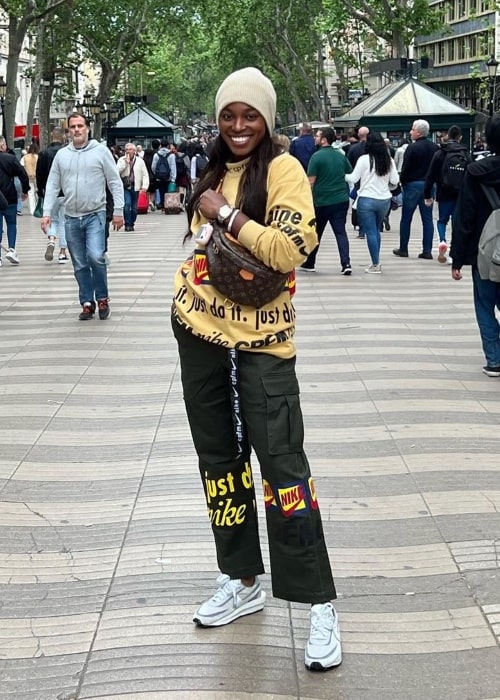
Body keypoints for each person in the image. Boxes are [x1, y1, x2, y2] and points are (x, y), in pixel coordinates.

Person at [172, 67, 341, 672]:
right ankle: (241, 578)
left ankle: (318, 601)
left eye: (250, 116)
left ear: (267, 119)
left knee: (283, 465)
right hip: (200, 335)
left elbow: (294, 249)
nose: (238, 126)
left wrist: (224, 216)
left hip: (264, 345)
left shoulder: (287, 169)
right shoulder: (213, 169)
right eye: (228, 115)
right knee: (218, 463)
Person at [41, 112, 124, 320]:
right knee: (79, 262)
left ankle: (102, 297)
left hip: (95, 214)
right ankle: (87, 301)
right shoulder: (62, 155)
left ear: (87, 128)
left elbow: (115, 181)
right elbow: (52, 185)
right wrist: (46, 213)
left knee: (96, 256)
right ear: (68, 131)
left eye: (80, 126)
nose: (77, 130)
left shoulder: (101, 152)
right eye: (73, 127)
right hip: (70, 217)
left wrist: (119, 211)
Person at [451, 114, 500, 377]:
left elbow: (464, 217)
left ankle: (495, 359)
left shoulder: (475, 172)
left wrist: (457, 259)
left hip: (483, 251)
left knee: (484, 304)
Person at [301, 126, 353, 274]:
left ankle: (310, 262)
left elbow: (311, 181)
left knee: (316, 233)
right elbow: (348, 171)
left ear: (324, 139)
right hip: (341, 199)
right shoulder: (340, 155)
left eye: (317, 136)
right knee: (340, 232)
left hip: (322, 201)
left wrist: (305, 200)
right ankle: (346, 263)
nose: (315, 138)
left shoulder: (316, 157)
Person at [345, 131, 399, 273]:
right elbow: (395, 181)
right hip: (384, 200)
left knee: (370, 232)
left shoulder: (363, 159)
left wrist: (342, 174)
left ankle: (376, 264)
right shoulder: (389, 160)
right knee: (376, 230)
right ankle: (376, 260)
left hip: (367, 199)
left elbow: (353, 178)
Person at [424, 125, 471, 264]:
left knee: (442, 220)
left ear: (448, 136)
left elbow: (430, 175)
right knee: (457, 223)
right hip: (460, 194)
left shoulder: (440, 153)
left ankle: (442, 240)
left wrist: (427, 194)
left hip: (443, 192)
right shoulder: (465, 154)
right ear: (460, 137)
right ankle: (454, 252)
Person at [393, 119, 439, 259]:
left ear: (418, 132)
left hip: (412, 185)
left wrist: (403, 181)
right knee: (427, 218)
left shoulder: (411, 148)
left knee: (406, 217)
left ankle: (404, 248)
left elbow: (406, 168)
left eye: (412, 129)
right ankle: (427, 250)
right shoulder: (435, 148)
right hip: (429, 186)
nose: (410, 131)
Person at [36, 126, 69, 263]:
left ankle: (51, 239)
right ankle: (62, 252)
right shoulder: (67, 152)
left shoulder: (44, 153)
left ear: (51, 136)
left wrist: (41, 191)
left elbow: (40, 174)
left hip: (50, 193)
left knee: (53, 219)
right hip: (66, 192)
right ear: (63, 137)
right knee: (64, 221)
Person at [0, 136, 29, 266]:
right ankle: (11, 249)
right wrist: (25, 190)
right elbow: (23, 174)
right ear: (3, 145)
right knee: (11, 224)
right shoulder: (10, 158)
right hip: (9, 196)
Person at [117, 143, 149, 231]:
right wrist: (125, 164)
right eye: (126, 149)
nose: (128, 151)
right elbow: (116, 171)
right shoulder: (121, 160)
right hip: (125, 186)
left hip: (136, 186)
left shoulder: (140, 161)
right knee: (127, 204)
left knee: (134, 208)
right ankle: (127, 223)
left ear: (134, 151)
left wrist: (145, 186)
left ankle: (132, 222)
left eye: (130, 149)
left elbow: (145, 174)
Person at [152, 139, 176, 210]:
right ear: (168, 145)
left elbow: (153, 166)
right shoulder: (171, 155)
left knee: (161, 191)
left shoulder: (156, 155)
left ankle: (162, 205)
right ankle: (167, 205)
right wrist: (173, 178)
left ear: (160, 145)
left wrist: (156, 173)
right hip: (168, 177)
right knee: (168, 191)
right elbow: (173, 166)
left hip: (159, 177)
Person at [20, 143, 39, 215]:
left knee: (31, 193)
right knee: (38, 192)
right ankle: (39, 207)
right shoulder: (38, 157)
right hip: (37, 177)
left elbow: (21, 166)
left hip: (28, 177)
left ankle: (32, 211)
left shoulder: (24, 157)